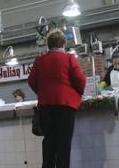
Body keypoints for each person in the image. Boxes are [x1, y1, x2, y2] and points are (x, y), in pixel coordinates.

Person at [28, 30, 86, 168]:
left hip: (46, 107)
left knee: (48, 142)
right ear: (63, 43)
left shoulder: (39, 60)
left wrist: (42, 93)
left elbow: (31, 81)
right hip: (66, 106)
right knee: (63, 145)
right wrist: (77, 93)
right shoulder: (69, 58)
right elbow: (80, 79)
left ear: (48, 44)